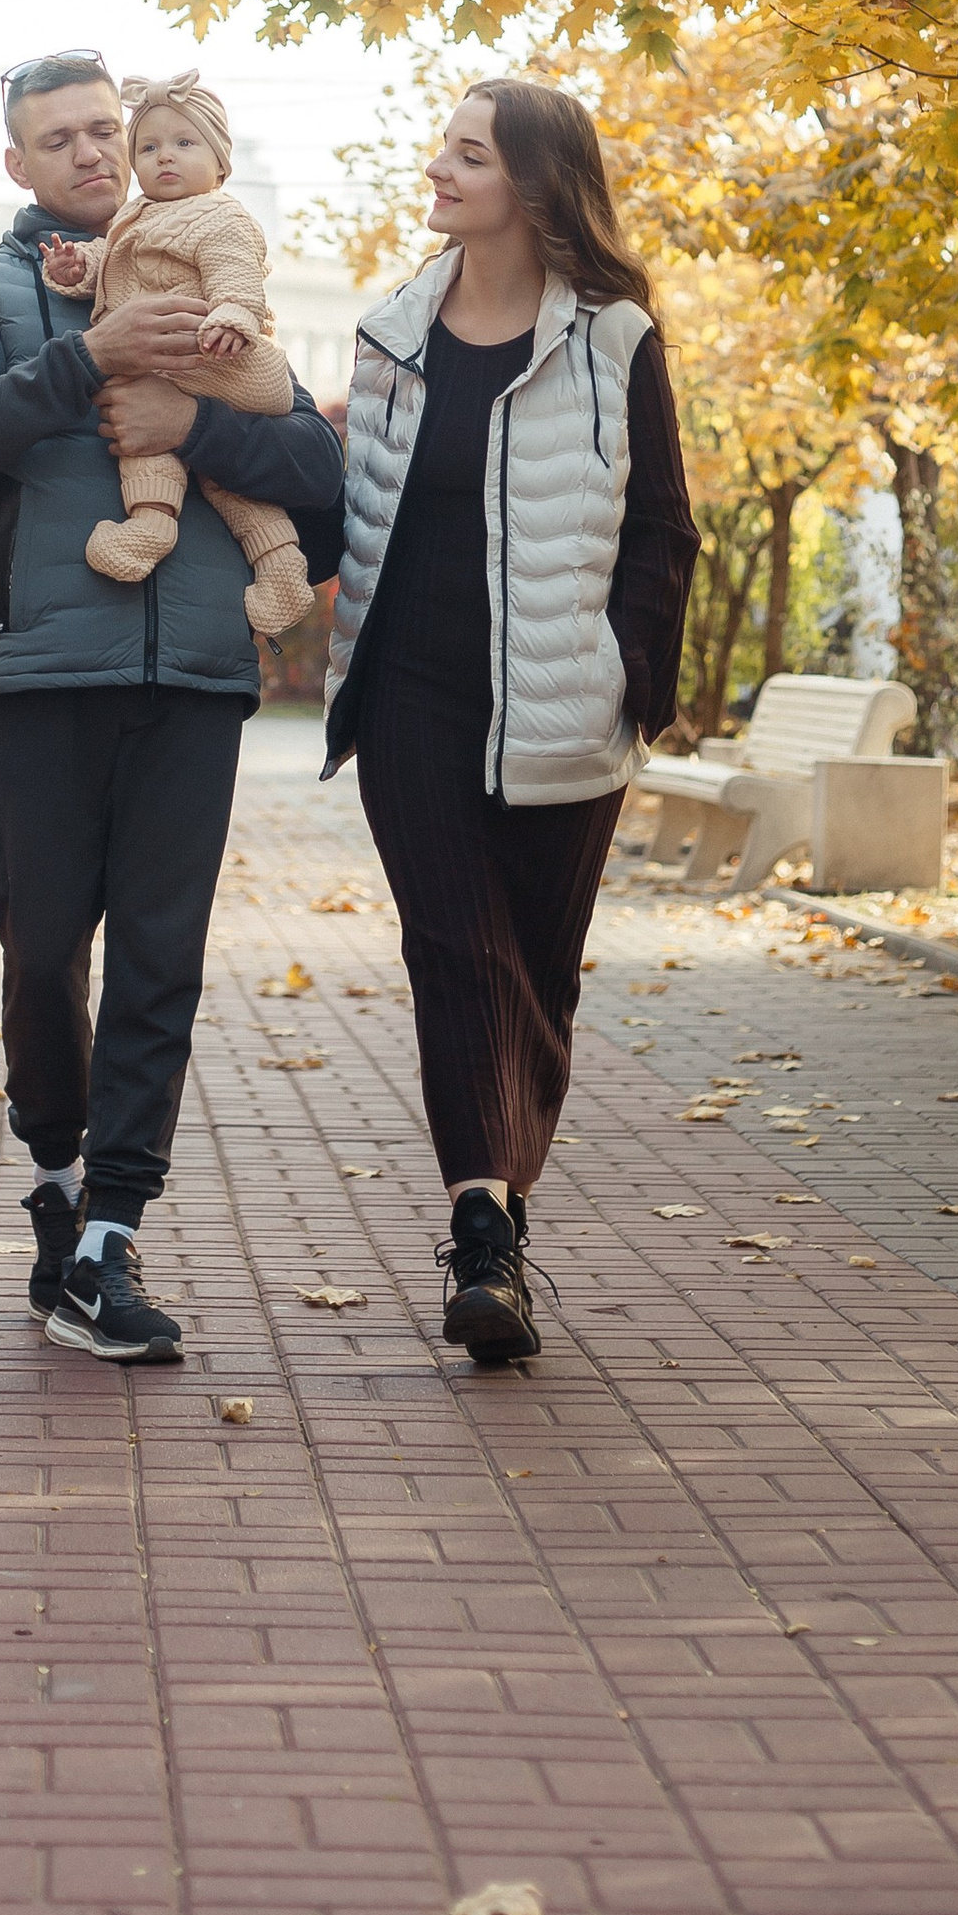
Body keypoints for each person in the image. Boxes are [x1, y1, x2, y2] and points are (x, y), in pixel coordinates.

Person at [0, 47, 346, 1364]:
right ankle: (55, 1174)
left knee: (161, 961)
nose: (97, 155)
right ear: (20, 166)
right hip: (38, 676)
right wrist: (82, 360)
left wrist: (189, 422)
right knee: (43, 951)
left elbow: (315, 476)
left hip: (198, 681)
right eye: (64, 139)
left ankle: (107, 1239)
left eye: (108, 129)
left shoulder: (221, 289)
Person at [322, 77, 702, 1365]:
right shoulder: (388, 333)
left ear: (533, 187)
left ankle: (502, 1206)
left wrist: (624, 679)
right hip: (411, 700)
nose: (438, 167)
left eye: (467, 153)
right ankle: (482, 1231)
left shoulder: (613, 341)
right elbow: (348, 508)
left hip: (559, 708)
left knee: (535, 979)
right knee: (456, 950)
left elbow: (662, 531)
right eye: (444, 145)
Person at [40, 68, 315, 633]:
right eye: (149, 146)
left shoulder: (220, 215)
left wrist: (234, 314)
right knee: (182, 452)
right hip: (170, 374)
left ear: (220, 163)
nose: (165, 157)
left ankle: (167, 526)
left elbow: (235, 271)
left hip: (220, 359)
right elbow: (108, 262)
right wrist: (74, 268)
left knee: (162, 424)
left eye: (184, 144)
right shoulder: (133, 218)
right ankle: (248, 553)